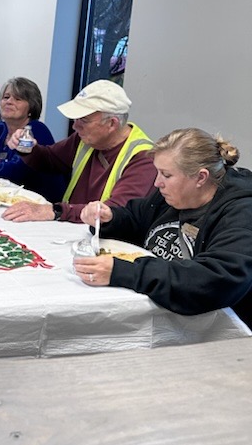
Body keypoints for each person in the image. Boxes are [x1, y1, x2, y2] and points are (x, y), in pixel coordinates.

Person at [72, 129, 252, 326]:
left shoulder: (241, 213)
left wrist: (123, 272)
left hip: (216, 334)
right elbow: (135, 218)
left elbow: (216, 279)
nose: (157, 183)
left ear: (201, 178)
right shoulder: (174, 195)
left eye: (166, 175)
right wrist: (109, 218)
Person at [3, 79, 155, 223]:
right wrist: (27, 148)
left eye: (83, 120)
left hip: (106, 242)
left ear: (111, 124)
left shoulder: (143, 158)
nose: (75, 127)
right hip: (72, 230)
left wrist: (55, 211)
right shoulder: (84, 139)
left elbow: (112, 211)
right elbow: (49, 160)